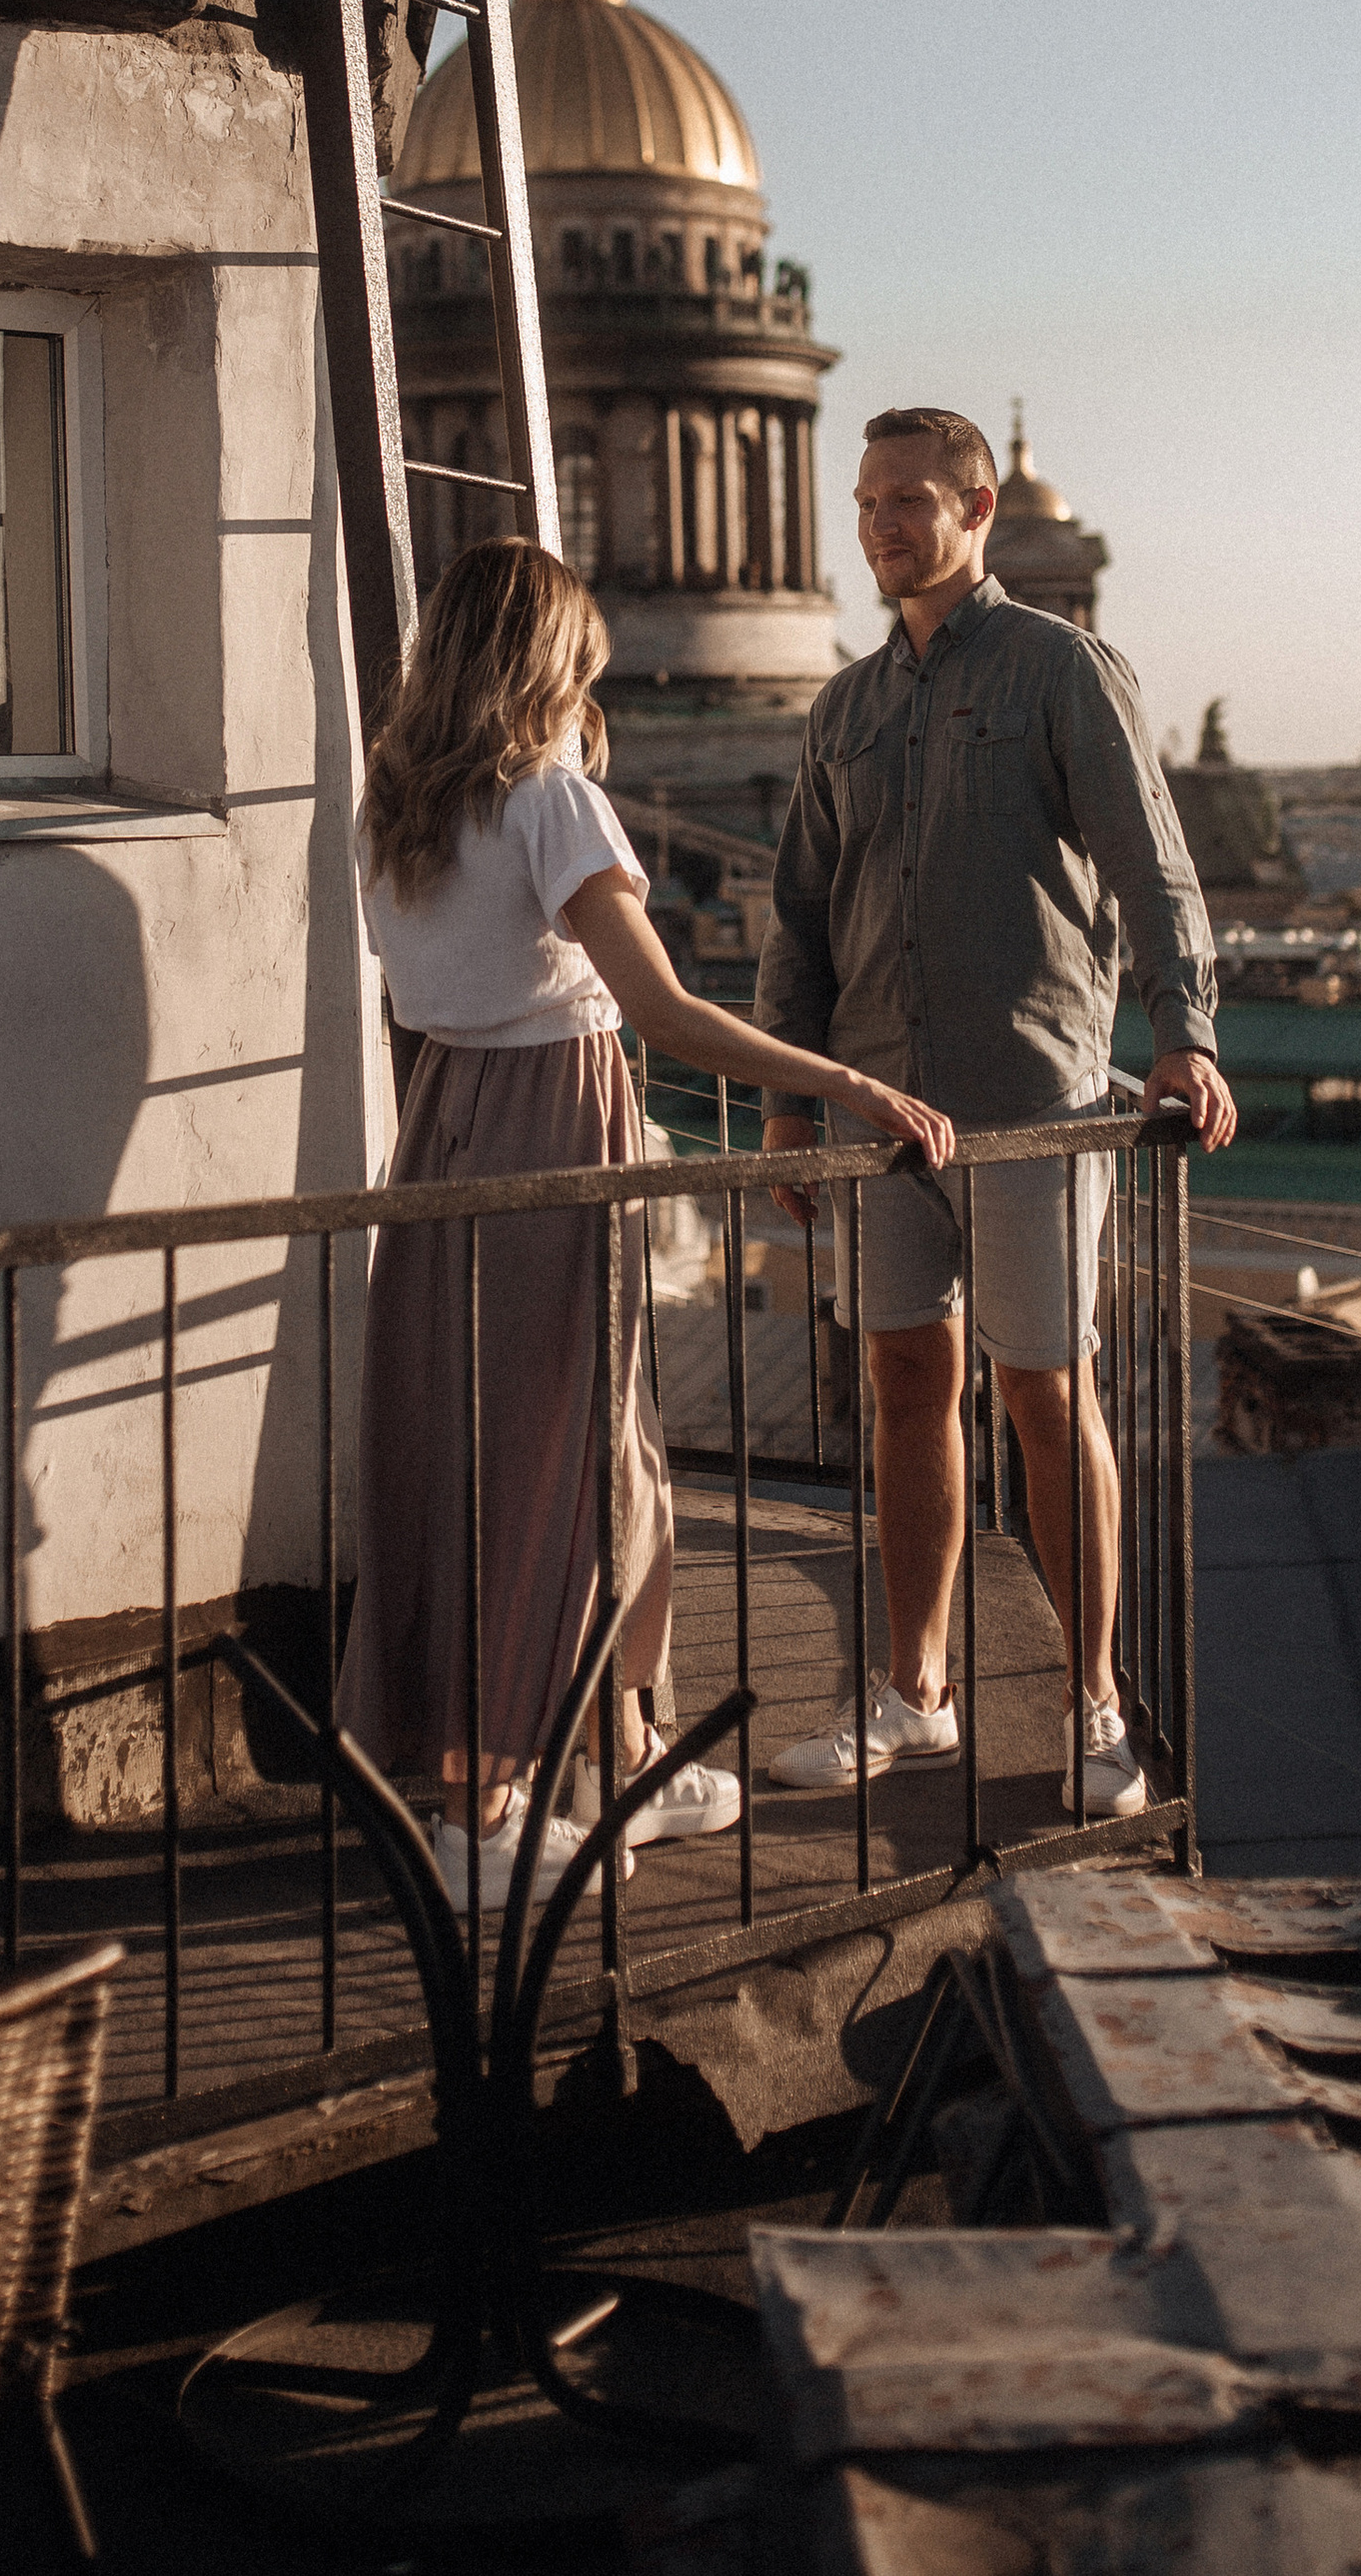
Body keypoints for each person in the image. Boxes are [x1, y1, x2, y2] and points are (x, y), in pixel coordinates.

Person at [338, 536, 955, 1915]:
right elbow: (667, 1011)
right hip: (557, 1117)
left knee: (546, 1447)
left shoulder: (397, 802)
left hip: (441, 1120)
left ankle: (622, 1748)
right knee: (547, 1456)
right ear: (553, 662)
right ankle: (479, 1814)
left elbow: (421, 978)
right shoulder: (553, 800)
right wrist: (843, 1078)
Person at [754, 408, 1237, 1818]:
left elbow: (1154, 861)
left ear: (977, 507)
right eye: (864, 503)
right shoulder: (841, 707)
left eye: (907, 500)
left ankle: (1093, 1708)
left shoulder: (1059, 669)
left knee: (1044, 1389)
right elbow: (798, 919)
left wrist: (1182, 1035)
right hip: (883, 1108)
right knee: (907, 1388)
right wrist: (793, 1103)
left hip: (1032, 1102)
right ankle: (916, 1693)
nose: (880, 525)